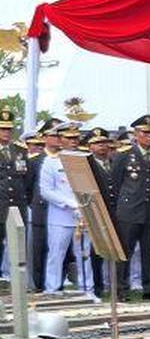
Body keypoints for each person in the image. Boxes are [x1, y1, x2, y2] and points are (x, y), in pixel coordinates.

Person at [110, 114, 150, 301]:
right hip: (129, 211)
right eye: (146, 133)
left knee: (149, 251)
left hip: (149, 211)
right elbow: (115, 184)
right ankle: (120, 289)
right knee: (125, 250)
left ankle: (149, 288)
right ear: (136, 134)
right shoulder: (124, 155)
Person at [39, 123, 84, 295]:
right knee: (56, 254)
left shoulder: (84, 159)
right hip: (61, 215)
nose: (73, 141)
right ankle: (52, 288)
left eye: (76, 138)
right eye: (69, 138)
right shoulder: (51, 162)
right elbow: (46, 191)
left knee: (84, 254)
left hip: (83, 215)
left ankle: (87, 287)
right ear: (61, 140)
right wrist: (68, 202)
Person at [27, 118, 62, 292]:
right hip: (42, 210)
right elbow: (28, 187)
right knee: (40, 249)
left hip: (62, 211)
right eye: (54, 135)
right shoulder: (35, 161)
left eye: (59, 135)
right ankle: (40, 286)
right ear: (45, 137)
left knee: (61, 249)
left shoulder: (66, 159)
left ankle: (58, 284)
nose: (58, 139)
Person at [84, 128, 116, 297]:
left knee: (116, 249)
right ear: (90, 146)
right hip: (96, 210)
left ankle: (116, 285)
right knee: (96, 251)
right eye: (97, 143)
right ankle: (97, 286)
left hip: (115, 211)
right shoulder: (86, 164)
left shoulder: (115, 161)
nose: (101, 146)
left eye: (104, 143)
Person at [0, 108, 29, 280]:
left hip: (17, 205)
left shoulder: (19, 150)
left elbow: (28, 179)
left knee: (17, 245)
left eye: (8, 129)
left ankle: (15, 280)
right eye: (2, 129)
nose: (6, 133)